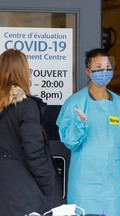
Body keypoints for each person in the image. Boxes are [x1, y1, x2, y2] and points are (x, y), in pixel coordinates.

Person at [56, 48, 120, 215]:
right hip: (83, 186)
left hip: (111, 187)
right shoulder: (75, 102)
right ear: (88, 71)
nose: (105, 71)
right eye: (99, 67)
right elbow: (69, 141)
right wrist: (79, 124)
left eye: (108, 67)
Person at [0, 49, 63, 215]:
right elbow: (34, 153)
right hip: (20, 193)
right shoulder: (25, 106)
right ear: (22, 71)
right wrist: (50, 192)